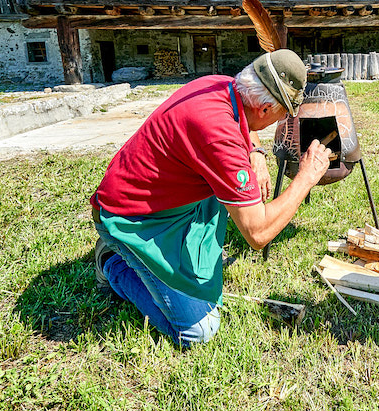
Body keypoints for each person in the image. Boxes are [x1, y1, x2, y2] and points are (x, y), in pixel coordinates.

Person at [90, 49, 331, 347]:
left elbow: (245, 120)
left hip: (161, 198)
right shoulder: (219, 137)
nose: (283, 119)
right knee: (198, 331)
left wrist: (256, 154)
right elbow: (258, 234)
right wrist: (305, 177)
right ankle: (113, 263)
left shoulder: (222, 86)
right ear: (266, 110)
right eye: (285, 113)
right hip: (131, 217)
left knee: (225, 206)